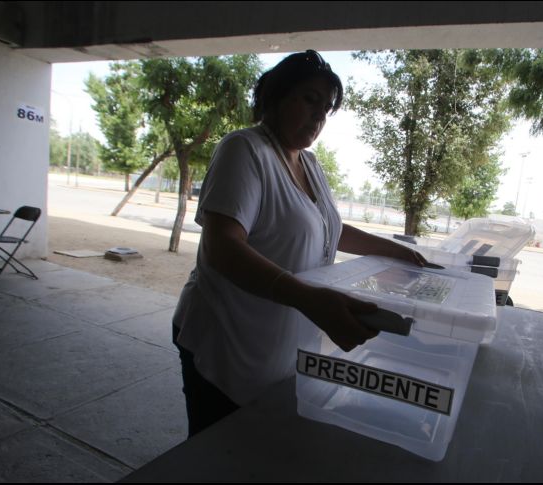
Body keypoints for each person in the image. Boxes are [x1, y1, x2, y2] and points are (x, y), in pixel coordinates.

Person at [172, 50, 427, 437]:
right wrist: (308, 298)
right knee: (215, 450)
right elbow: (221, 246)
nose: (319, 116)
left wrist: (394, 249)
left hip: (275, 345)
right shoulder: (245, 150)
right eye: (310, 99)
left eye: (326, 108)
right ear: (275, 96)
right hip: (225, 337)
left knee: (253, 445)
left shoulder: (309, 163)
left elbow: (328, 229)